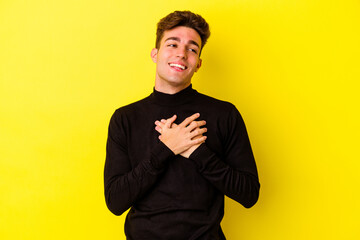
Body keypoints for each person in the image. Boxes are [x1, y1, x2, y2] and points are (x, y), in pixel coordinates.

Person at [104, 10, 260, 239]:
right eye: (173, 44)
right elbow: (115, 202)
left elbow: (248, 194)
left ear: (198, 64)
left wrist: (197, 152)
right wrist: (165, 149)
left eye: (192, 49)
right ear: (155, 54)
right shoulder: (125, 118)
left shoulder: (224, 114)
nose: (182, 54)